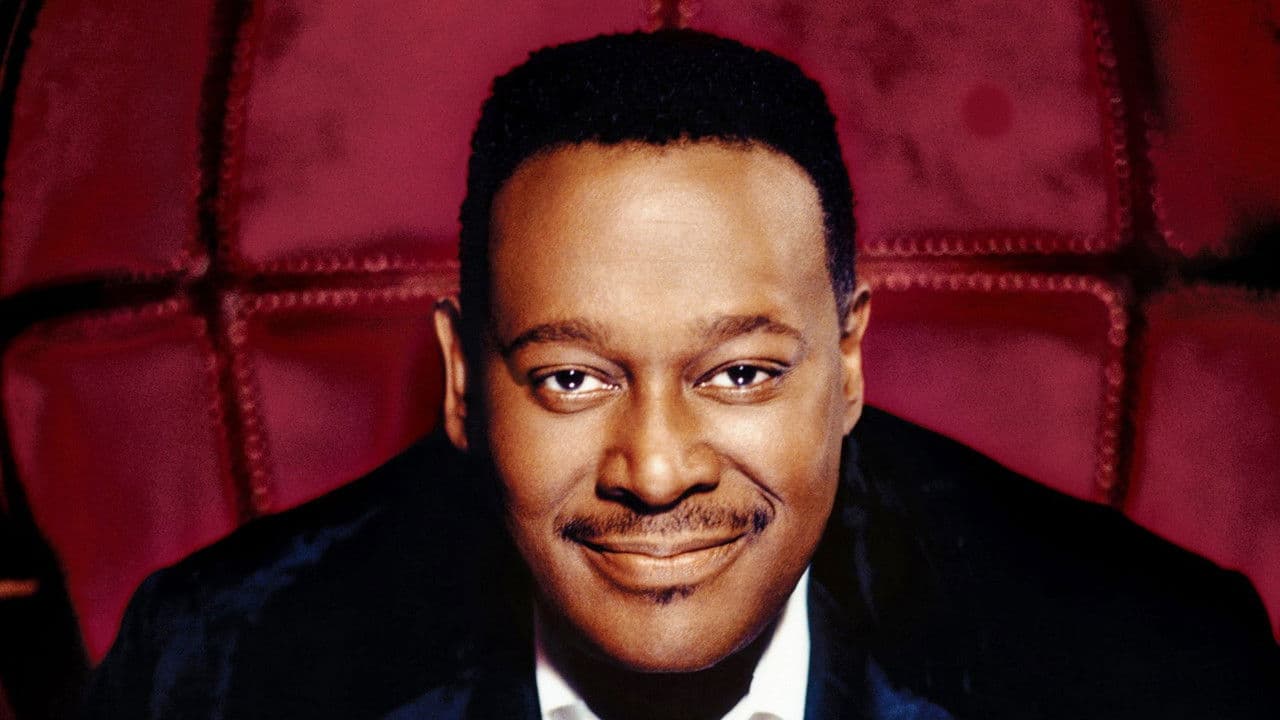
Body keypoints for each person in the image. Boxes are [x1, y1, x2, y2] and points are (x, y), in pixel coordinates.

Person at [85, 30, 1278, 720]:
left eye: (741, 373)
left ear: (847, 363)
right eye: (570, 380)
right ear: (459, 382)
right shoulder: (215, 672)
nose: (654, 471)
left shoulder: (1150, 671)